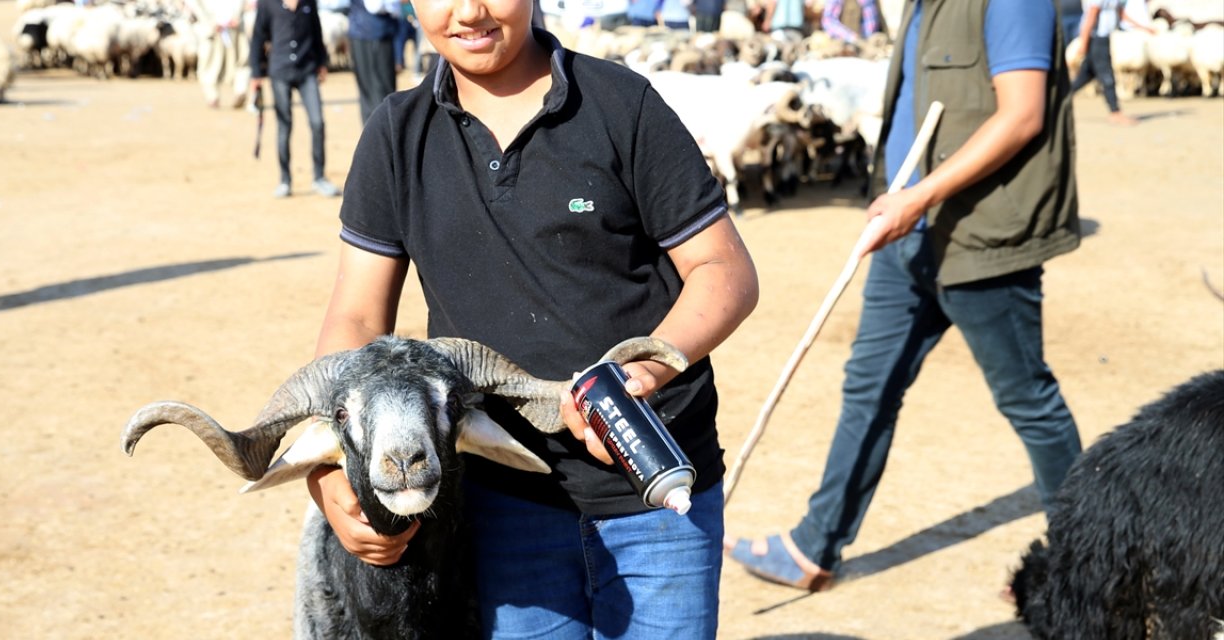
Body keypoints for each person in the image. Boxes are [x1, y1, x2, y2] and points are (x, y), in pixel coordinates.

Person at [305, 0, 760, 635]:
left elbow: (725, 271)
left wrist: (640, 374)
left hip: (655, 493)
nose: (469, 11)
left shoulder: (620, 105)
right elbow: (354, 320)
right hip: (500, 505)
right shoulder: (396, 133)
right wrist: (330, 471)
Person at [726, 0, 1084, 593]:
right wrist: (901, 203)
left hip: (977, 238)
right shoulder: (924, 7)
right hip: (905, 241)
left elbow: (1022, 116)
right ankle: (817, 546)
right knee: (868, 388)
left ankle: (1087, 563)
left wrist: (919, 198)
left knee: (1029, 401)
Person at [249, 0, 341, 198]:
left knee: (318, 123)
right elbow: (258, 37)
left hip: (307, 70)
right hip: (280, 71)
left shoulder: (309, 2)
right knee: (284, 126)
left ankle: (319, 177)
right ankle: (285, 180)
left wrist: (322, 62)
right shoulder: (267, 4)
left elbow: (316, 31)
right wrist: (256, 73)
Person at [1071, 0, 1153, 126]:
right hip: (1096, 39)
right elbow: (1091, 17)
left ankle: (1059, 97)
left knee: (1086, 75)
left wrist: (1143, 28)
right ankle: (1115, 113)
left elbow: (1120, 13)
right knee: (1107, 76)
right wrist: (1083, 44)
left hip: (1103, 38)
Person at [185, 0, 252, 108]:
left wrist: (237, 16)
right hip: (213, 29)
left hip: (232, 27)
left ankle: (238, 91)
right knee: (211, 63)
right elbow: (195, 5)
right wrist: (210, 22)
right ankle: (215, 96)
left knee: (240, 60)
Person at [347, 0, 398, 125]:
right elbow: (375, 6)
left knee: (374, 93)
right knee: (379, 94)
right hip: (372, 32)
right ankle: (378, 137)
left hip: (372, 33)